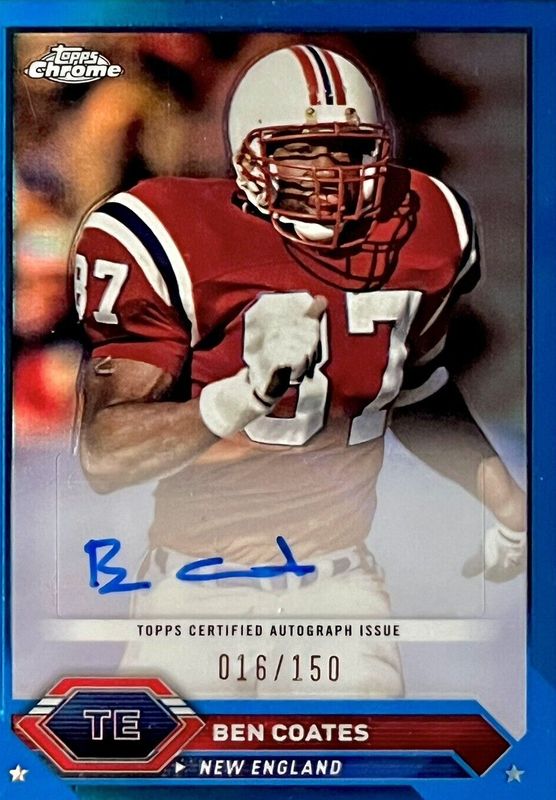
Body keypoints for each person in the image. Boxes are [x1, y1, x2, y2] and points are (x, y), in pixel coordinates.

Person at [73, 45, 525, 698]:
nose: (329, 176)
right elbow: (105, 455)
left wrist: (503, 498)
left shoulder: (424, 233)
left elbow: (414, 385)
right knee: (176, 759)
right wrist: (242, 395)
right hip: (197, 590)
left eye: (348, 151)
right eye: (301, 151)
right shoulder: (174, 240)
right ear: (248, 158)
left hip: (339, 590)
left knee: (363, 755)